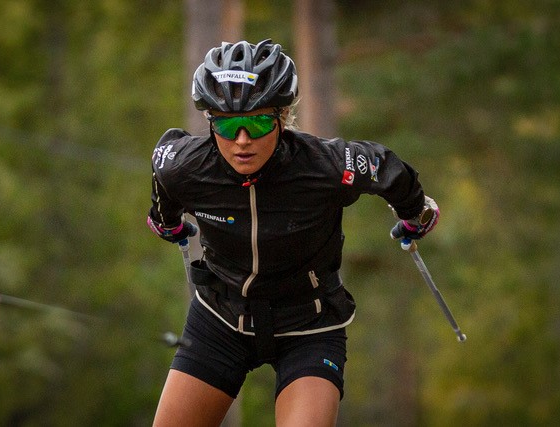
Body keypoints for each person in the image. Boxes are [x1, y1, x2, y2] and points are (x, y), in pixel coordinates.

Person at [147, 39, 439, 427]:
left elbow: (389, 170)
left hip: (309, 325)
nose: (242, 140)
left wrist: (416, 214)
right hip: (220, 319)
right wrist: (166, 220)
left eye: (258, 122)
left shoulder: (328, 166)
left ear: (283, 116)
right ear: (210, 121)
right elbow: (162, 174)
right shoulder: (184, 166)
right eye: (228, 124)